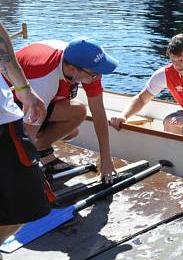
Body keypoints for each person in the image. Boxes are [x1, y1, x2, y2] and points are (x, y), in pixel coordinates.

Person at [12, 37, 119, 183]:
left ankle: (41, 148)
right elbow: (27, 133)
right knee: (22, 159)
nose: (99, 77)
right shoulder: (45, 77)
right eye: (95, 74)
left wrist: (106, 157)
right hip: (8, 106)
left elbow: (98, 112)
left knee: (77, 115)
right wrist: (27, 176)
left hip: (38, 97)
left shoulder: (86, 66)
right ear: (71, 70)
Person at [0, 22, 51, 260]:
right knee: (29, 201)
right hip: (3, 126)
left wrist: (24, 89)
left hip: (4, 122)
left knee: (28, 204)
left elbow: (3, 52)